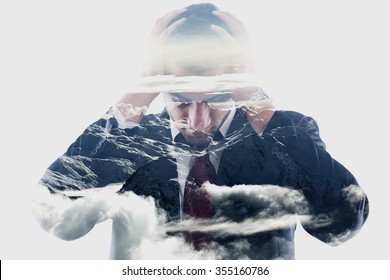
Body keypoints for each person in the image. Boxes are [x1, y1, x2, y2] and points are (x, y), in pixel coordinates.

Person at [33, 3, 369, 259]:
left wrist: (255, 98)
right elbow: (57, 217)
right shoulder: (129, 140)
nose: (197, 121)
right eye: (180, 100)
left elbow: (341, 224)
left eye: (217, 98)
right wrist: (141, 88)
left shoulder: (281, 134)